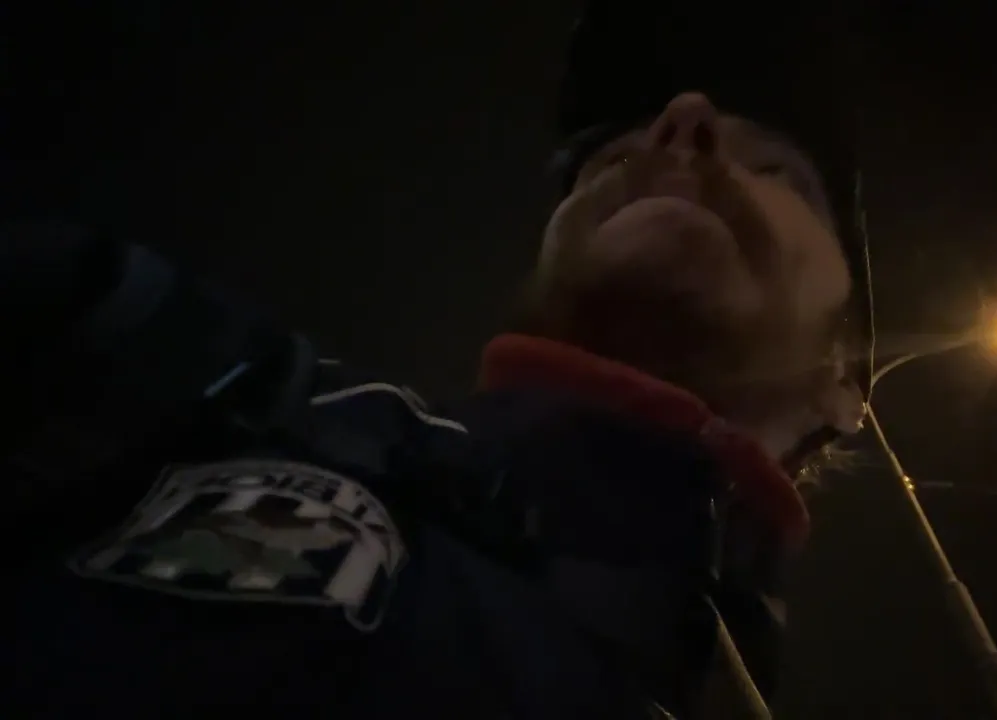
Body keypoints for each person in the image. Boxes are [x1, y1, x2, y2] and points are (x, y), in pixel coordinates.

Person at [2, 4, 870, 718]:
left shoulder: (707, 682)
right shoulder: (228, 390)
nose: (683, 120)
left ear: (844, 381)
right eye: (613, 158)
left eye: (775, 170)